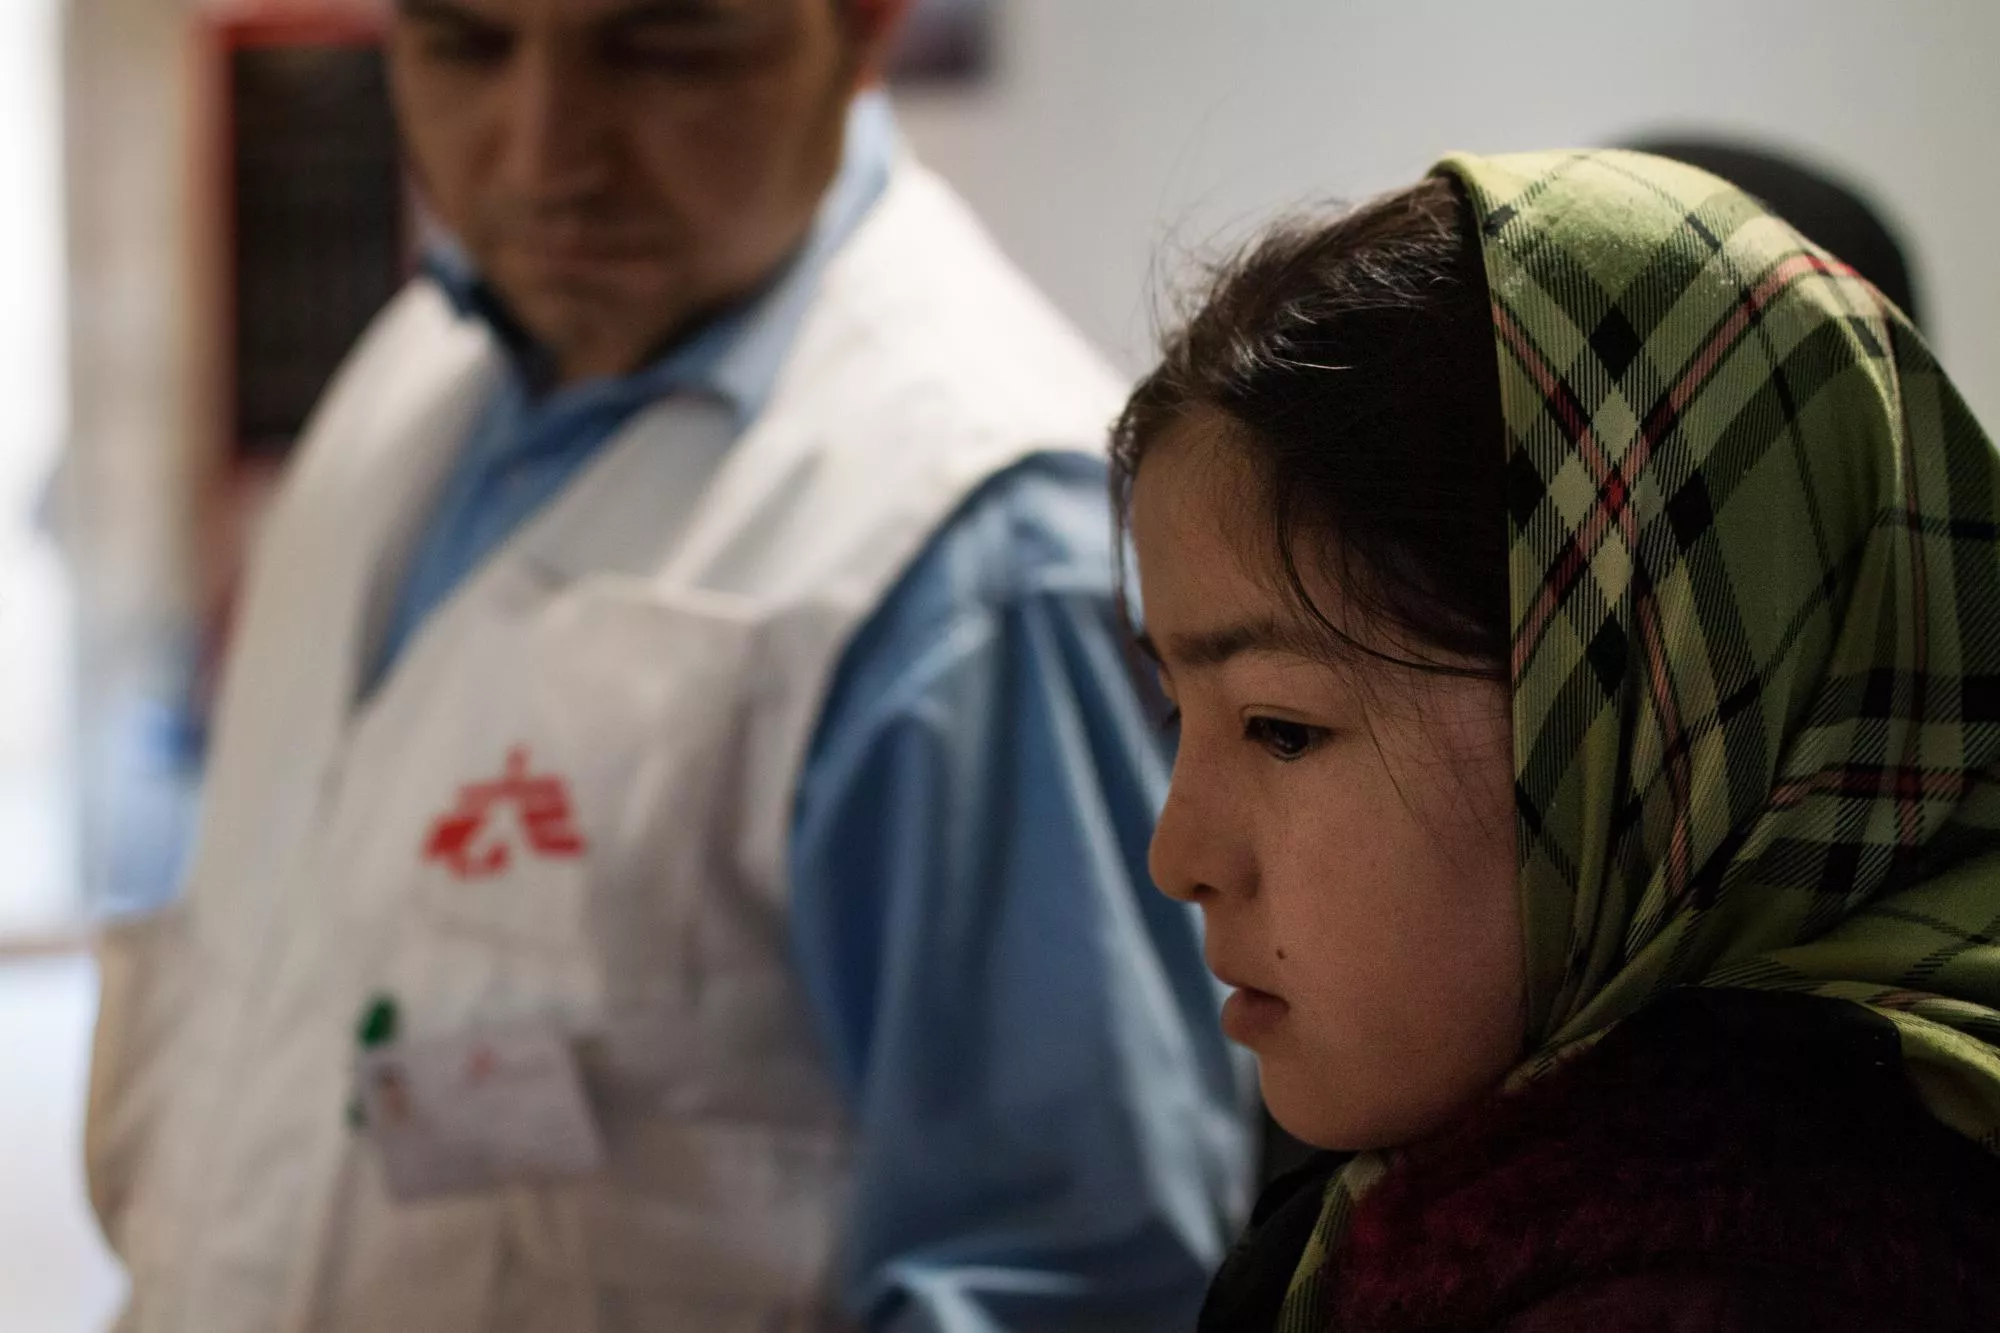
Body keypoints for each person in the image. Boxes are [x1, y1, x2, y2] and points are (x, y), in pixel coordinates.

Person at [83, 2, 1253, 1329]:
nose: (543, 156)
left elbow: (1068, 1284)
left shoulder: (977, 563)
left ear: (864, 25)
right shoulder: (413, 373)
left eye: (663, 50)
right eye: (465, 45)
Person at [1114, 150, 2000, 1331]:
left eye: (1280, 727)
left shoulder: (1725, 1282)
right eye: (1177, 712)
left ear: (1658, 718)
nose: (1178, 854)